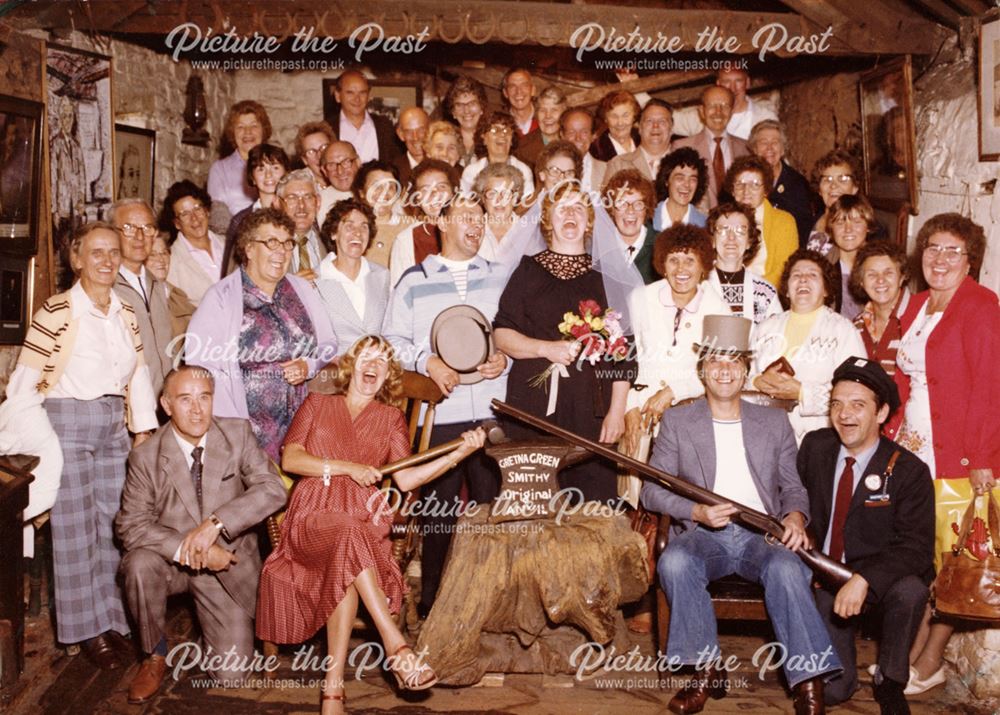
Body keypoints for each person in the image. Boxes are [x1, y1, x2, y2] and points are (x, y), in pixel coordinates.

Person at [256, 336, 487, 712]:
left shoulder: (390, 418)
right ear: (351, 365)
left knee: (346, 554)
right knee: (346, 533)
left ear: (387, 377)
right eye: (368, 356)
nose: (374, 366)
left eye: (383, 362)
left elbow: (408, 480)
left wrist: (460, 452)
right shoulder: (318, 403)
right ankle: (396, 646)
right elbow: (293, 459)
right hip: (313, 511)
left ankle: (332, 692)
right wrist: (347, 468)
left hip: (363, 520)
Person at [642, 315, 838, 715]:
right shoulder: (678, 421)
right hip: (703, 534)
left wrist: (797, 516)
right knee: (676, 561)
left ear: (746, 368)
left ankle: (809, 683)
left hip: (761, 537)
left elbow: (792, 485)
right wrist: (695, 509)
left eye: (734, 361)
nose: (724, 370)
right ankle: (706, 671)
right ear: (702, 370)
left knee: (787, 570)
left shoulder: (774, 421)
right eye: (715, 361)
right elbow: (651, 490)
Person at [5, 221, 158, 667]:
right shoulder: (56, 311)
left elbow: (139, 374)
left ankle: (114, 620)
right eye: (97, 253)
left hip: (114, 424)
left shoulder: (125, 312)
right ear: (77, 260)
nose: (108, 261)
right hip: (67, 422)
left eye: (114, 252)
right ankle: (84, 630)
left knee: (114, 525)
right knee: (73, 532)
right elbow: (25, 382)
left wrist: (142, 430)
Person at [116, 366, 286, 702]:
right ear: (166, 405)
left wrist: (216, 523)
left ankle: (209, 632)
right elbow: (130, 525)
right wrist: (190, 549)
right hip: (169, 563)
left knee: (233, 674)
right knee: (137, 564)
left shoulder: (236, 433)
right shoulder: (145, 456)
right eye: (185, 399)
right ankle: (155, 652)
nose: (197, 410)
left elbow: (273, 489)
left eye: (204, 398)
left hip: (227, 565)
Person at [383, 198, 509, 614]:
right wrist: (427, 361)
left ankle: (490, 605)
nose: (476, 225)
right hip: (441, 417)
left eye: (480, 218)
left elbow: (514, 332)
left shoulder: (500, 276)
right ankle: (434, 604)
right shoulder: (413, 280)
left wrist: (504, 357)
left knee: (492, 512)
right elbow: (392, 342)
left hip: (493, 414)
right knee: (439, 515)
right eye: (466, 217)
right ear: (441, 222)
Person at [891, 214, 1000, 695]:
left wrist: (981, 457)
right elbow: (906, 378)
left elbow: (990, 387)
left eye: (952, 251)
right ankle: (910, 654)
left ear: (970, 259)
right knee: (920, 560)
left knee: (954, 563)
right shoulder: (916, 303)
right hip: (912, 453)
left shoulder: (982, 306)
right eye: (933, 248)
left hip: (956, 456)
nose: (940, 258)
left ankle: (930, 659)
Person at [799, 358, 934, 713]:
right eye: (837, 404)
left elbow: (917, 548)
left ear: (881, 412)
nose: (845, 415)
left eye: (858, 405)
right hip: (825, 578)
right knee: (833, 691)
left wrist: (864, 578)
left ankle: (890, 681)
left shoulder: (909, 470)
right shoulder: (815, 448)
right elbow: (791, 498)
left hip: (877, 582)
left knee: (912, 589)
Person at [494, 182, 635, 505]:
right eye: (561, 207)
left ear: (589, 221)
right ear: (547, 220)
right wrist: (546, 348)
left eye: (578, 208)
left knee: (592, 504)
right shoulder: (527, 271)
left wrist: (616, 411)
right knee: (532, 505)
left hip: (592, 410)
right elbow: (502, 334)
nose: (570, 214)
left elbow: (624, 352)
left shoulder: (607, 278)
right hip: (531, 404)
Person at [185, 207, 339, 463]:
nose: (282, 251)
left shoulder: (301, 288)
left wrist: (308, 364)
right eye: (271, 242)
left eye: (287, 243)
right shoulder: (221, 296)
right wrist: (235, 430)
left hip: (302, 425)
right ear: (248, 248)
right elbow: (201, 366)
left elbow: (329, 343)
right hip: (247, 430)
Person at [623, 224, 731, 454]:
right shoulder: (640, 298)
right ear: (663, 265)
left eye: (690, 260)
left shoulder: (720, 309)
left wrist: (674, 391)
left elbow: (722, 371)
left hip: (691, 413)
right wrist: (629, 406)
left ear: (703, 265)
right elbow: (624, 359)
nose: (681, 268)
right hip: (638, 411)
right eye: (673, 259)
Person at [751, 250, 866, 443]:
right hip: (765, 437)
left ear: (826, 289)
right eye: (796, 275)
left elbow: (858, 392)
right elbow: (743, 376)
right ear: (786, 289)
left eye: (812, 275)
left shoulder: (843, 330)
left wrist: (803, 393)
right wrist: (756, 382)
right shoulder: (765, 327)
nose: (803, 279)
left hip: (819, 441)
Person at [110, 199, 177, 399]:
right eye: (129, 228)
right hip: (129, 409)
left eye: (147, 227)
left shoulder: (157, 285)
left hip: (164, 406)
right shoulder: (107, 288)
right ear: (113, 233)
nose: (140, 236)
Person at [316, 198, 390, 352]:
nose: (358, 233)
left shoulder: (382, 276)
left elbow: (390, 331)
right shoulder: (315, 280)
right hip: (334, 371)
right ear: (334, 233)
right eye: (349, 226)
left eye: (364, 227)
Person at [724, 155, 798, 286]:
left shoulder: (784, 222)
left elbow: (784, 271)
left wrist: (749, 292)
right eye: (740, 184)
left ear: (766, 190)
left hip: (767, 295)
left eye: (755, 185)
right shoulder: (721, 220)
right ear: (732, 190)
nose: (746, 191)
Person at [674, 86, 750, 210]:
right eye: (712, 105)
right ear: (701, 111)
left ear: (732, 111)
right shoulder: (681, 147)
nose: (718, 111)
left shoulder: (746, 148)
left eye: (725, 106)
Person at [221, 143, 291, 276]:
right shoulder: (241, 220)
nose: (268, 175)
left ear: (286, 173)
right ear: (252, 177)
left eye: (275, 168)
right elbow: (230, 271)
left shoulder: (295, 213)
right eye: (261, 169)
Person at [706, 202, 782, 324]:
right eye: (723, 230)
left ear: (749, 242)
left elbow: (776, 336)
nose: (731, 237)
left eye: (740, 231)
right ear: (712, 240)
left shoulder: (765, 291)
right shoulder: (699, 286)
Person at [389, 159, 458, 287]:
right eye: (425, 190)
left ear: (454, 192)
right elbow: (399, 292)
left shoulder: (473, 231)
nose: (434, 194)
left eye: (442, 187)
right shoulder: (406, 240)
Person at [849, 240, 910, 376]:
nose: (880, 280)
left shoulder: (918, 319)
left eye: (888, 273)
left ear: (901, 278)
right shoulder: (856, 326)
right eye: (872, 274)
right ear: (861, 282)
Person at [749, 119, 815, 245]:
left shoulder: (798, 184)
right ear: (754, 149)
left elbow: (804, 230)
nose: (769, 148)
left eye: (775, 142)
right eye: (763, 142)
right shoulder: (744, 180)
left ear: (783, 149)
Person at [207, 100, 271, 226]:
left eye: (254, 125)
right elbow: (218, 216)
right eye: (240, 127)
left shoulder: (277, 164)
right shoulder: (220, 169)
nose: (248, 132)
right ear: (233, 132)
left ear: (263, 130)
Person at [673, 66, 779, 140]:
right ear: (718, 84)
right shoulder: (701, 116)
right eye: (726, 82)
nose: (732, 88)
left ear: (747, 83)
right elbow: (668, 121)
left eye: (738, 81)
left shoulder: (765, 117)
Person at [161, 180, 224, 306]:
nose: (194, 218)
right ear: (177, 223)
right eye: (185, 214)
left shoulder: (230, 245)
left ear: (207, 211)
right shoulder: (172, 263)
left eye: (197, 208)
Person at [327, 70, 398, 163]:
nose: (357, 99)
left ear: (368, 96)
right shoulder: (327, 129)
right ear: (338, 96)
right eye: (350, 93)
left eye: (362, 92)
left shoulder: (385, 126)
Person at [603, 168, 659, 284]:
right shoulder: (599, 248)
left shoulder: (661, 246)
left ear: (647, 208)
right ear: (612, 209)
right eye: (622, 203)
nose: (630, 211)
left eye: (638, 204)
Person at [459, 111, 534, 196]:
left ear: (512, 140)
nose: (502, 134)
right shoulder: (471, 172)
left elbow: (528, 205)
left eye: (506, 130)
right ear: (484, 138)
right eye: (494, 130)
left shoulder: (524, 170)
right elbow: (464, 203)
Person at [824, 194, 875, 318]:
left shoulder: (879, 265)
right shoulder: (823, 267)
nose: (848, 229)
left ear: (867, 226)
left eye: (857, 222)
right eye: (840, 223)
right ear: (831, 228)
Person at [351, 160, 405, 268]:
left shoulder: (410, 227)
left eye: (390, 186)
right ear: (361, 192)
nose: (384, 192)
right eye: (376, 186)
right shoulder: (352, 230)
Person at [606, 99, 674, 183]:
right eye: (649, 121)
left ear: (671, 129)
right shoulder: (618, 165)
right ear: (640, 129)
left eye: (662, 122)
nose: (655, 126)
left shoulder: (685, 164)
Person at [807, 150, 861, 253]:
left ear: (855, 187)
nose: (833, 186)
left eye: (843, 179)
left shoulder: (866, 229)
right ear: (819, 189)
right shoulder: (807, 225)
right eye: (827, 179)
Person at [275, 169, 326, 279]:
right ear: (279, 204)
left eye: (308, 197)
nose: (301, 205)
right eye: (292, 198)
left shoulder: (331, 243)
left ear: (318, 202)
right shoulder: (266, 246)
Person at [144, 233, 196, 339]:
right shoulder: (141, 299)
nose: (161, 259)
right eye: (152, 254)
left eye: (164, 253)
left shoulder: (177, 294)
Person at [652, 147, 709, 231]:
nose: (687, 185)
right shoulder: (649, 219)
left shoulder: (704, 225)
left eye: (693, 179)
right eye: (680, 178)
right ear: (666, 181)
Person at [516, 85, 566, 167]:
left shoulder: (572, 140)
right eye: (543, 110)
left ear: (564, 114)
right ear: (536, 114)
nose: (548, 116)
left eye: (554, 110)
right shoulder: (523, 147)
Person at [443, 76, 488, 167]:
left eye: (472, 103)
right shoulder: (445, 141)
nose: (466, 110)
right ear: (453, 112)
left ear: (482, 108)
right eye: (459, 105)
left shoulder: (492, 141)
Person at [560, 108, 606, 193]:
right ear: (562, 135)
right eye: (571, 132)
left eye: (584, 132)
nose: (578, 138)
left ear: (593, 135)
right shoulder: (552, 172)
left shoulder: (606, 171)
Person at [590, 90, 641, 162]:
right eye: (614, 116)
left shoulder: (644, 140)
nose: (620, 123)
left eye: (625, 115)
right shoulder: (596, 150)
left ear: (634, 116)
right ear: (605, 118)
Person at [318, 141, 360, 226]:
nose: (340, 171)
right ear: (324, 170)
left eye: (346, 162)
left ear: (358, 162)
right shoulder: (318, 203)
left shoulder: (373, 193)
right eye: (332, 165)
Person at [391, 106, 430, 186]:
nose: (415, 137)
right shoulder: (392, 171)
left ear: (430, 130)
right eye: (408, 132)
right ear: (400, 134)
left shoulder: (445, 166)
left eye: (421, 130)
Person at [294, 121, 335, 189]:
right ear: (304, 160)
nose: (319, 156)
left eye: (324, 147)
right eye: (311, 152)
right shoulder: (298, 185)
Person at [501, 67, 537, 137]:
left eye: (524, 85)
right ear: (505, 93)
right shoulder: (500, 124)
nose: (518, 91)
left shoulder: (544, 121)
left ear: (533, 90)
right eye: (512, 86)